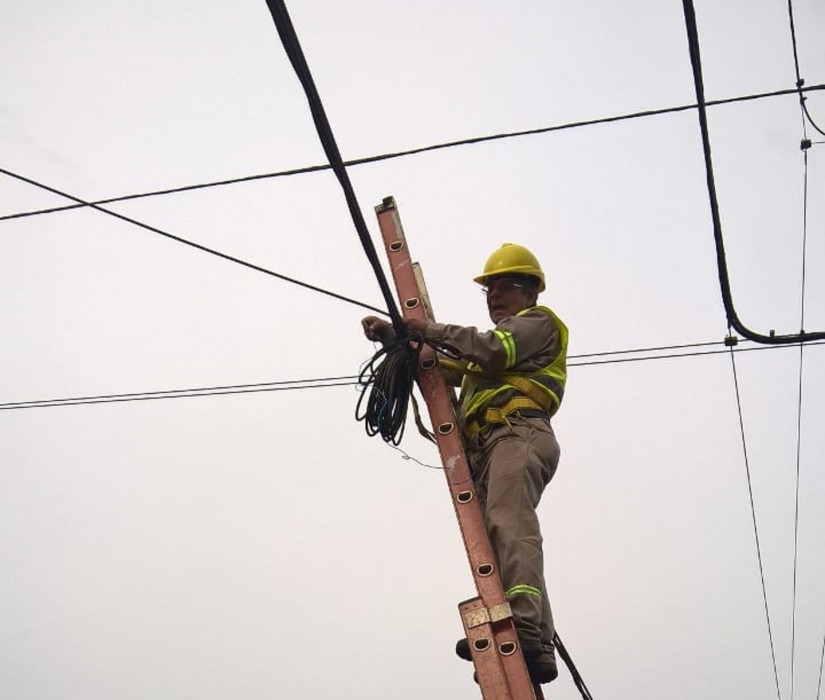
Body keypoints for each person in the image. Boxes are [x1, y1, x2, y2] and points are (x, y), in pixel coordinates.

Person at [361, 243, 568, 685]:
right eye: (489, 290)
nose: (494, 296)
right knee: (498, 534)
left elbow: (489, 349)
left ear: (531, 291)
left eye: (505, 286)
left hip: (518, 432)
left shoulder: (536, 324)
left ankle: (526, 626)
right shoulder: (495, 359)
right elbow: (448, 367)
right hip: (493, 444)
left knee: (509, 524)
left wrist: (428, 328)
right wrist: (396, 339)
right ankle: (534, 641)